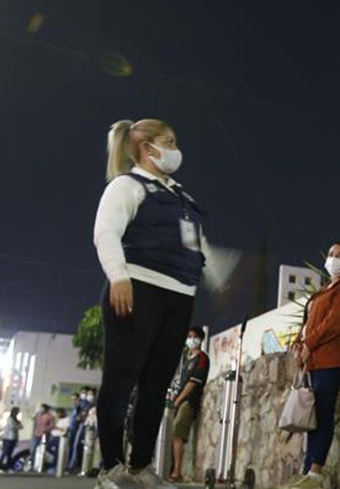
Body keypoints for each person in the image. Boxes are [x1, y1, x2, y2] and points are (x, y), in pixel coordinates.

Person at [93, 118, 209, 489]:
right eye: (169, 141)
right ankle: (110, 467)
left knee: (156, 385)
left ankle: (140, 466)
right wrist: (119, 276)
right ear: (147, 147)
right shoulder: (127, 185)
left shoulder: (180, 196)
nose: (176, 150)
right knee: (120, 380)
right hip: (137, 288)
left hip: (179, 297)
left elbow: (191, 248)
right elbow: (105, 232)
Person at [285, 242, 340, 489]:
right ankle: (308, 471)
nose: (334, 258)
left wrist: (309, 343)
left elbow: (335, 320)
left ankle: (316, 475)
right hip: (315, 361)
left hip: (332, 360)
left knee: (323, 415)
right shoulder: (324, 289)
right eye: (330, 254)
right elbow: (309, 321)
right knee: (314, 417)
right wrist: (300, 343)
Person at [168, 326, 210, 483]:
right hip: (179, 401)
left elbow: (193, 384)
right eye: (189, 336)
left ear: (201, 339)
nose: (191, 340)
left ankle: (177, 471)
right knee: (174, 434)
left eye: (195, 337)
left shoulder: (202, 358)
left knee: (178, 432)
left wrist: (178, 400)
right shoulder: (186, 359)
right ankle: (172, 468)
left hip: (189, 402)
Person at [30, 404, 54, 471]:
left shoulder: (50, 416)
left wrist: (46, 429)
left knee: (43, 450)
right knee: (34, 450)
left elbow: (52, 425)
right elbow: (34, 423)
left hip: (45, 435)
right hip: (37, 434)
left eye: (43, 408)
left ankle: (42, 466)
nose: (41, 409)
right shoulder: (38, 415)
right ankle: (32, 466)